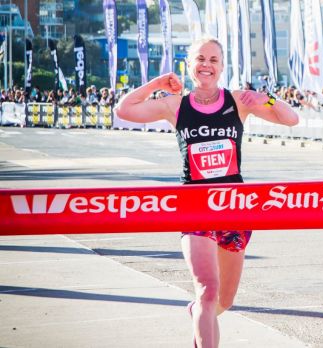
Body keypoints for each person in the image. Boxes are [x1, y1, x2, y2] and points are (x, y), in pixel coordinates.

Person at [114, 38, 299, 348]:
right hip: (195, 207)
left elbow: (291, 119)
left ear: (222, 66)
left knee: (224, 300)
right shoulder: (176, 104)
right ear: (190, 65)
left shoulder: (238, 101)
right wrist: (157, 83)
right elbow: (124, 110)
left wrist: (264, 98)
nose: (206, 65)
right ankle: (202, 311)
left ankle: (198, 312)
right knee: (207, 291)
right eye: (200, 59)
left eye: (213, 60)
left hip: (234, 208)